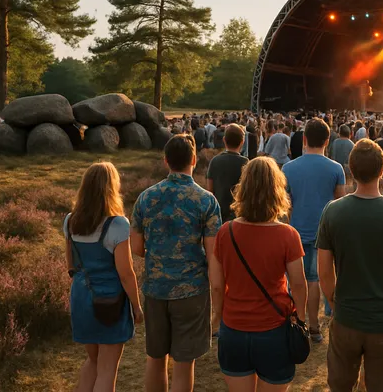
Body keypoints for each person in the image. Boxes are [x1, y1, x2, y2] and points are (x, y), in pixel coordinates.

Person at [317, 139, 383, 392]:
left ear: (351, 170)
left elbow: (324, 271)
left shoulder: (332, 211)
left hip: (347, 317)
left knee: (340, 385)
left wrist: (334, 303)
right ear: (382, 170)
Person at [131, 134, 222, 392]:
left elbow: (136, 247)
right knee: (184, 364)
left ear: (165, 161)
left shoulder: (146, 198)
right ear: (194, 160)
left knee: (155, 358)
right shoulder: (206, 201)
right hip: (192, 290)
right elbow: (214, 253)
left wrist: (160, 253)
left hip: (156, 289)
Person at [209, 157, 308, 391]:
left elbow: (216, 284)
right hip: (274, 331)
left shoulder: (226, 232)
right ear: (278, 190)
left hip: (234, 329)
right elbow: (299, 284)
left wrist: (218, 315)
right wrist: (301, 319)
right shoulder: (288, 235)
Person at [65, 162, 143, 392]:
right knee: (108, 368)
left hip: (81, 297)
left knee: (93, 361)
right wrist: (137, 307)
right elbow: (126, 272)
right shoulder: (117, 225)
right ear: (111, 189)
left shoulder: (70, 221)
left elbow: (71, 265)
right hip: (110, 302)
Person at [282, 118, 345, 342]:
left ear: (305, 139)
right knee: (315, 279)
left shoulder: (288, 168)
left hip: (295, 231)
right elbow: (340, 202)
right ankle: (315, 327)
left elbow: (284, 204)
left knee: (294, 280)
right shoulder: (336, 168)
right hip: (324, 233)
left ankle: (297, 323)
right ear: (327, 141)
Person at [206, 124, 249, 222]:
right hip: (239, 214)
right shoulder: (246, 163)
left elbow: (210, 190)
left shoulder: (215, 161)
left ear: (224, 140)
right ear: (242, 142)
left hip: (218, 212)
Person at [330, 124, 356, 189]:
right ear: (349, 134)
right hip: (348, 174)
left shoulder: (335, 143)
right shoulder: (352, 145)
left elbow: (330, 156)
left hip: (335, 172)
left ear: (339, 133)